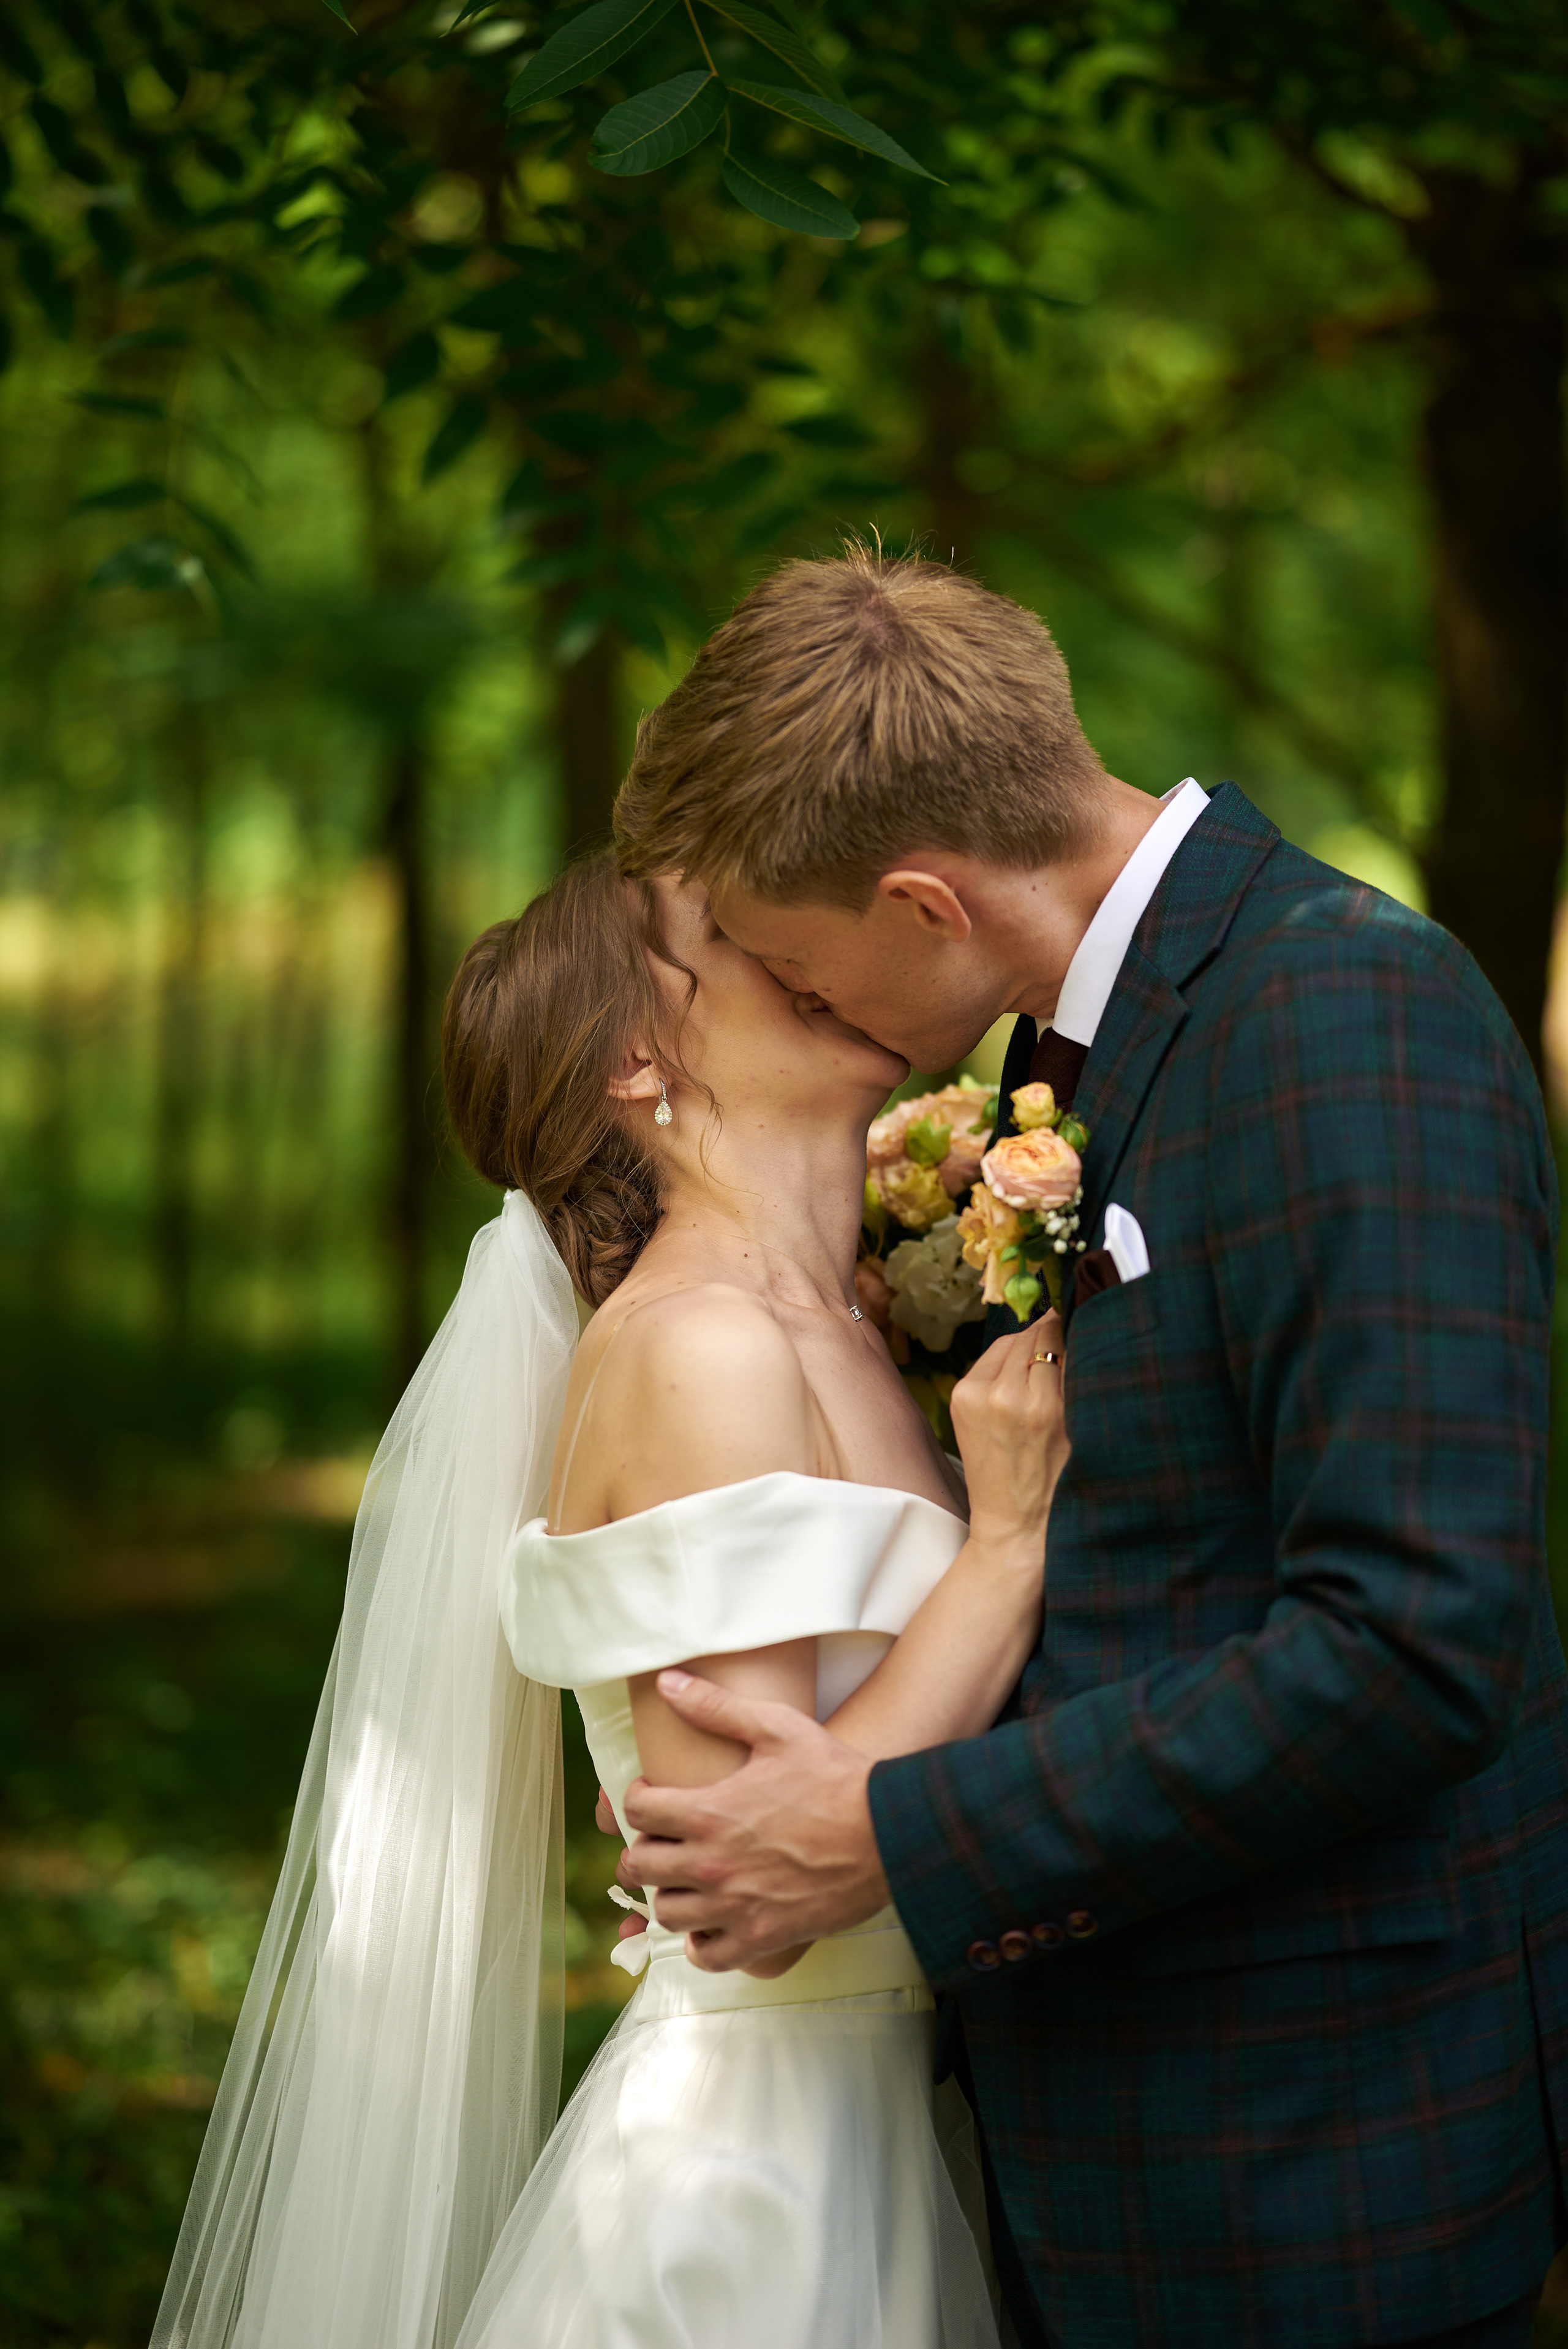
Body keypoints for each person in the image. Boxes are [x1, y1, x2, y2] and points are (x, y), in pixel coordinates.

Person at [608, 545, 1568, 2349]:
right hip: (1106, 2134)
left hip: (1316, 2163)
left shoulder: (1346, 1010)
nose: (808, 1013)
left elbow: (1416, 1640)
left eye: (801, 969)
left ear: (922, 899)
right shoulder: (1093, 1048)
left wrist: (893, 1824)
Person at [149, 847, 1070, 2349]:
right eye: (729, 937)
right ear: (637, 1062)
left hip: (895, 2131)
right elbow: (756, 1907)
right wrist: (1007, 1544)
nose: (805, 945)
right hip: (748, 2207)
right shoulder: (694, 1350)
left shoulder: (845, 1323)